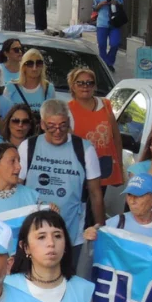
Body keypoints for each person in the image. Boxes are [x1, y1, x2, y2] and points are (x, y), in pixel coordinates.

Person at [18, 99, 104, 246]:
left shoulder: (84, 149)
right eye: (51, 126)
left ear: (69, 122)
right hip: (33, 230)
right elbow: (17, 187)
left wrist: (101, 228)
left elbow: (95, 193)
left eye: (63, 126)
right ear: (43, 124)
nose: (58, 131)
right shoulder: (28, 147)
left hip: (72, 232)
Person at [84, 173, 152, 243]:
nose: (132, 201)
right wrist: (91, 234)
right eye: (129, 195)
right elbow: (98, 243)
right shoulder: (117, 222)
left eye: (139, 196)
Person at [67, 67, 123, 191]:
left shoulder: (106, 105)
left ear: (94, 86)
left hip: (103, 167)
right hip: (79, 169)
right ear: (72, 86)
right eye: (80, 83)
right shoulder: (67, 110)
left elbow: (116, 138)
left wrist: (119, 166)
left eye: (89, 83)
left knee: (98, 204)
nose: (85, 86)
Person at [5, 49, 54, 114]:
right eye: (30, 64)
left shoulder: (48, 88)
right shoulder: (11, 88)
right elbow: (4, 116)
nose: (34, 68)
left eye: (39, 63)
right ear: (23, 67)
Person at [92, 0, 126, 70]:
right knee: (102, 45)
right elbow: (94, 8)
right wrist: (101, 4)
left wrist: (115, 3)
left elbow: (122, 5)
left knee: (115, 44)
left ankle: (109, 62)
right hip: (102, 23)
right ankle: (104, 64)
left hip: (114, 23)